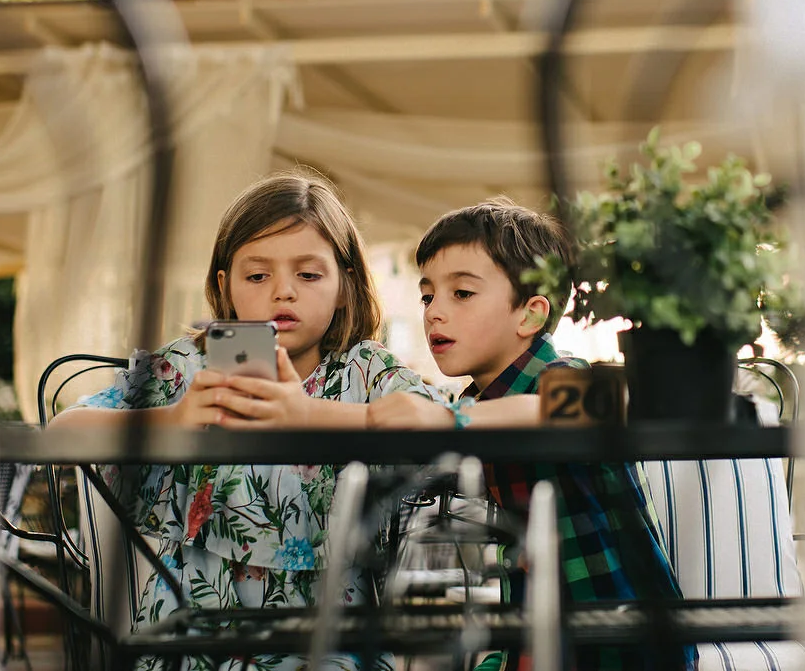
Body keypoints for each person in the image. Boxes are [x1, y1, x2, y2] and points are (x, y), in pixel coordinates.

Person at [50, 172, 445, 671]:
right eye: (258, 276)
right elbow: (64, 432)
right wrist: (174, 419)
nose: (284, 293)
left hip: (331, 628)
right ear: (226, 287)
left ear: (345, 287)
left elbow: (437, 421)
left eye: (309, 274)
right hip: (194, 628)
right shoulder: (190, 369)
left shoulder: (364, 370)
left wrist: (316, 415)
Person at [367, 199, 692, 671]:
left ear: (530, 316)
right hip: (539, 632)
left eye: (461, 293)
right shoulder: (479, 401)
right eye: (427, 296)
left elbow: (602, 405)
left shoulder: (562, 376)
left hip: (623, 645)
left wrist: (449, 423)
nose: (434, 312)